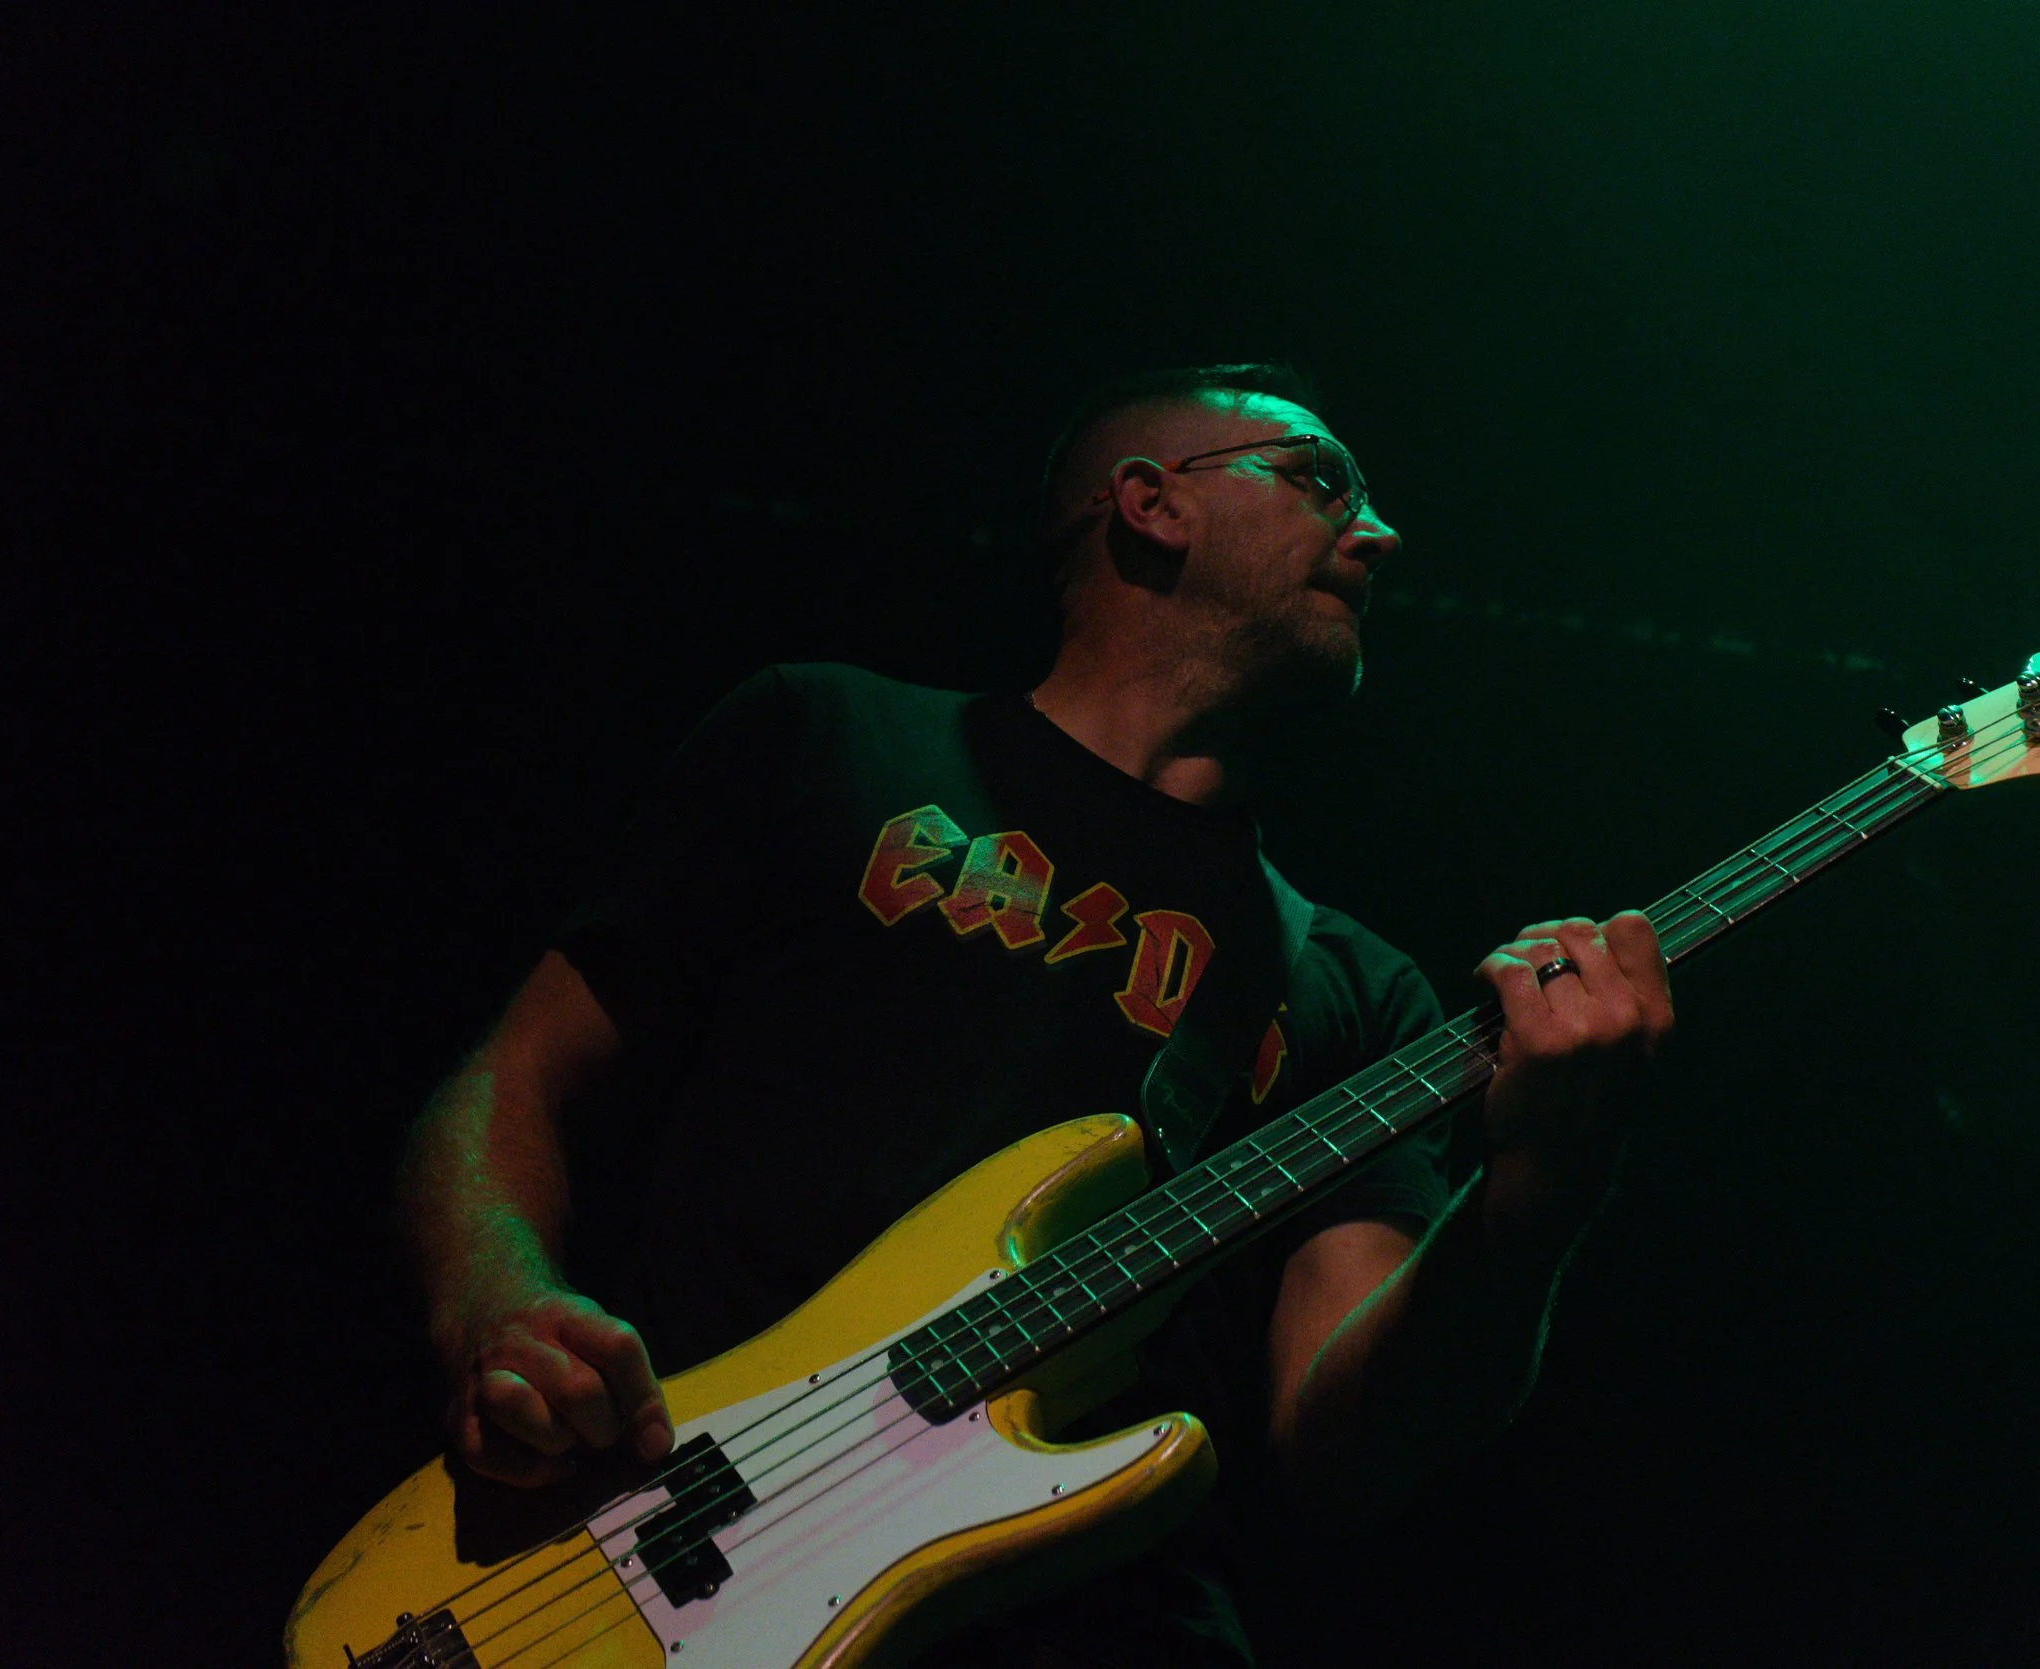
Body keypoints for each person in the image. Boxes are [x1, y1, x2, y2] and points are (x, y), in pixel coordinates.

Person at [400, 362, 1675, 1666]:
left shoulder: (1352, 986)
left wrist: (1538, 1198)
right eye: (1320, 481)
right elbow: (516, 1081)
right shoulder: (829, 739)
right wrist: (502, 1309)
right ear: (1150, 503)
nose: (1380, 531)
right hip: (668, 1560)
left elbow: (1343, 1450)